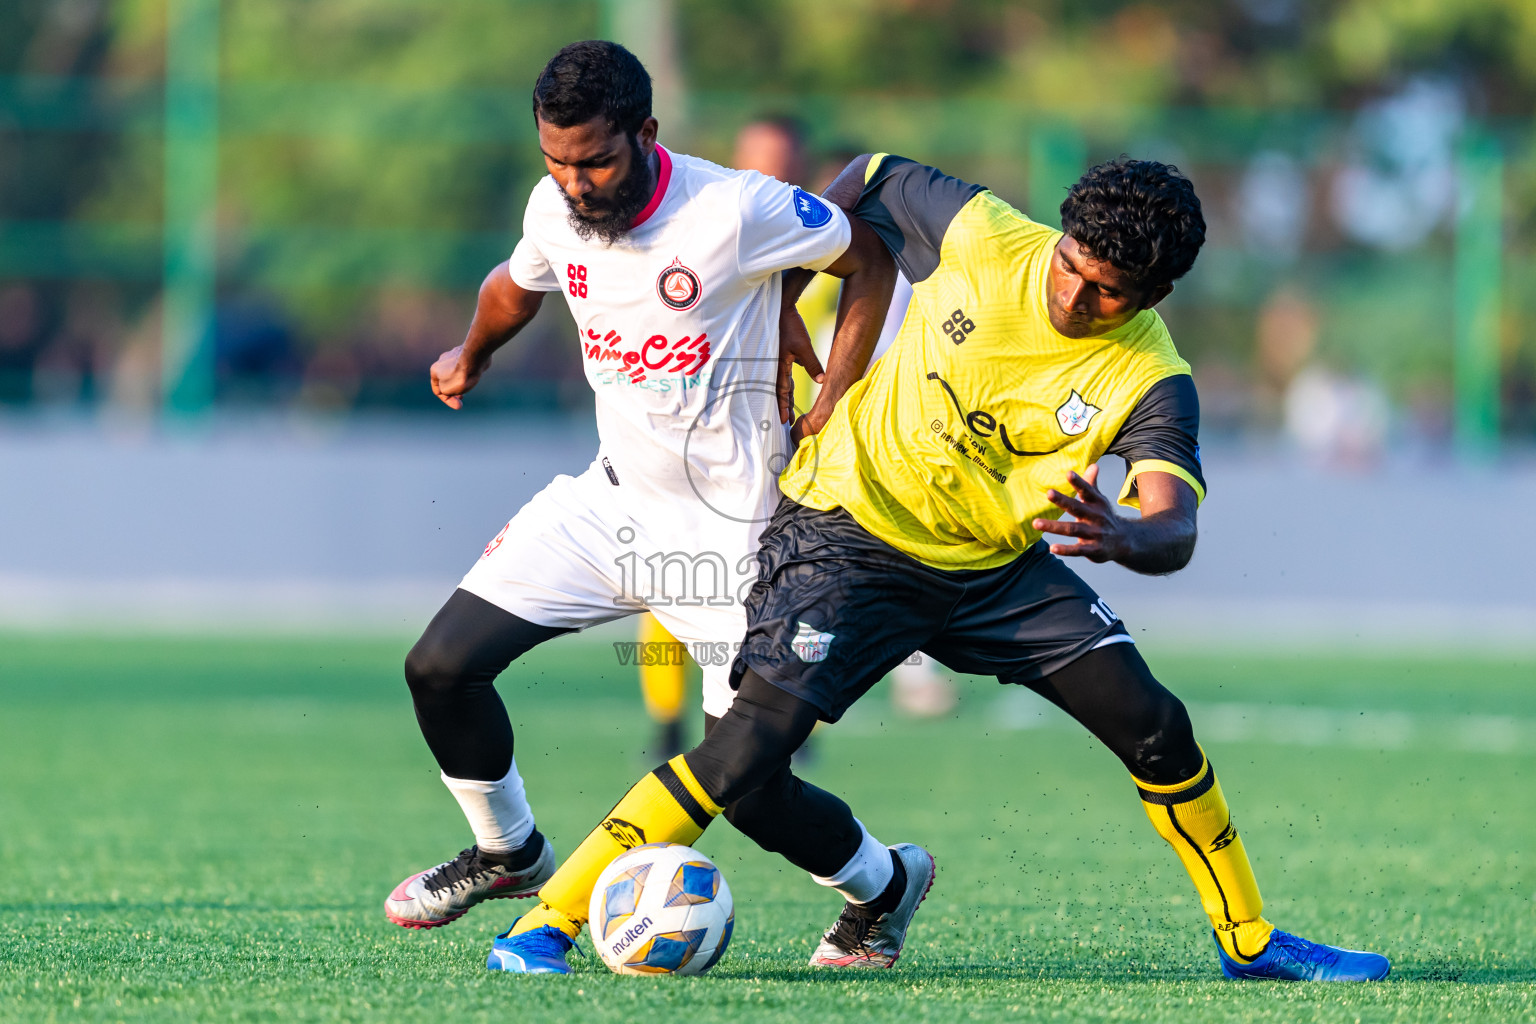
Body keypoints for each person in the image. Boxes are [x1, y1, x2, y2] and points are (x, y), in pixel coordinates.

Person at [486, 153, 1392, 983]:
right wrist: (790, 290)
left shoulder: (1152, 380)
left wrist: (1121, 534)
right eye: (1071, 264)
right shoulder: (982, 231)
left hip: (995, 570)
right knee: (750, 751)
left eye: (1109, 293)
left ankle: (1251, 942)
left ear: (1155, 293)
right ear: (1060, 235)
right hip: (850, 530)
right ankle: (549, 924)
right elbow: (868, 176)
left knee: (1157, 724)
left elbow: (1174, 527)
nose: (1075, 296)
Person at [384, 40, 898, 934]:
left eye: (596, 161)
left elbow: (871, 256)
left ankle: (884, 883)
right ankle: (508, 852)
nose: (576, 184)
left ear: (646, 132)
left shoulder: (736, 208)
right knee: (440, 667)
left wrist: (825, 387)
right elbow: (516, 282)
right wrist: (470, 352)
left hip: (736, 540)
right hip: (611, 504)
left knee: (748, 791)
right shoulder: (555, 206)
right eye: (558, 163)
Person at [632, 116, 816, 762]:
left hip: (792, 447)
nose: (771, 175)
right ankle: (665, 723)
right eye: (758, 161)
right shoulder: (709, 232)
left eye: (784, 163)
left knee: (790, 586)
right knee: (669, 581)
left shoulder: (821, 246)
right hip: (699, 440)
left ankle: (784, 721)